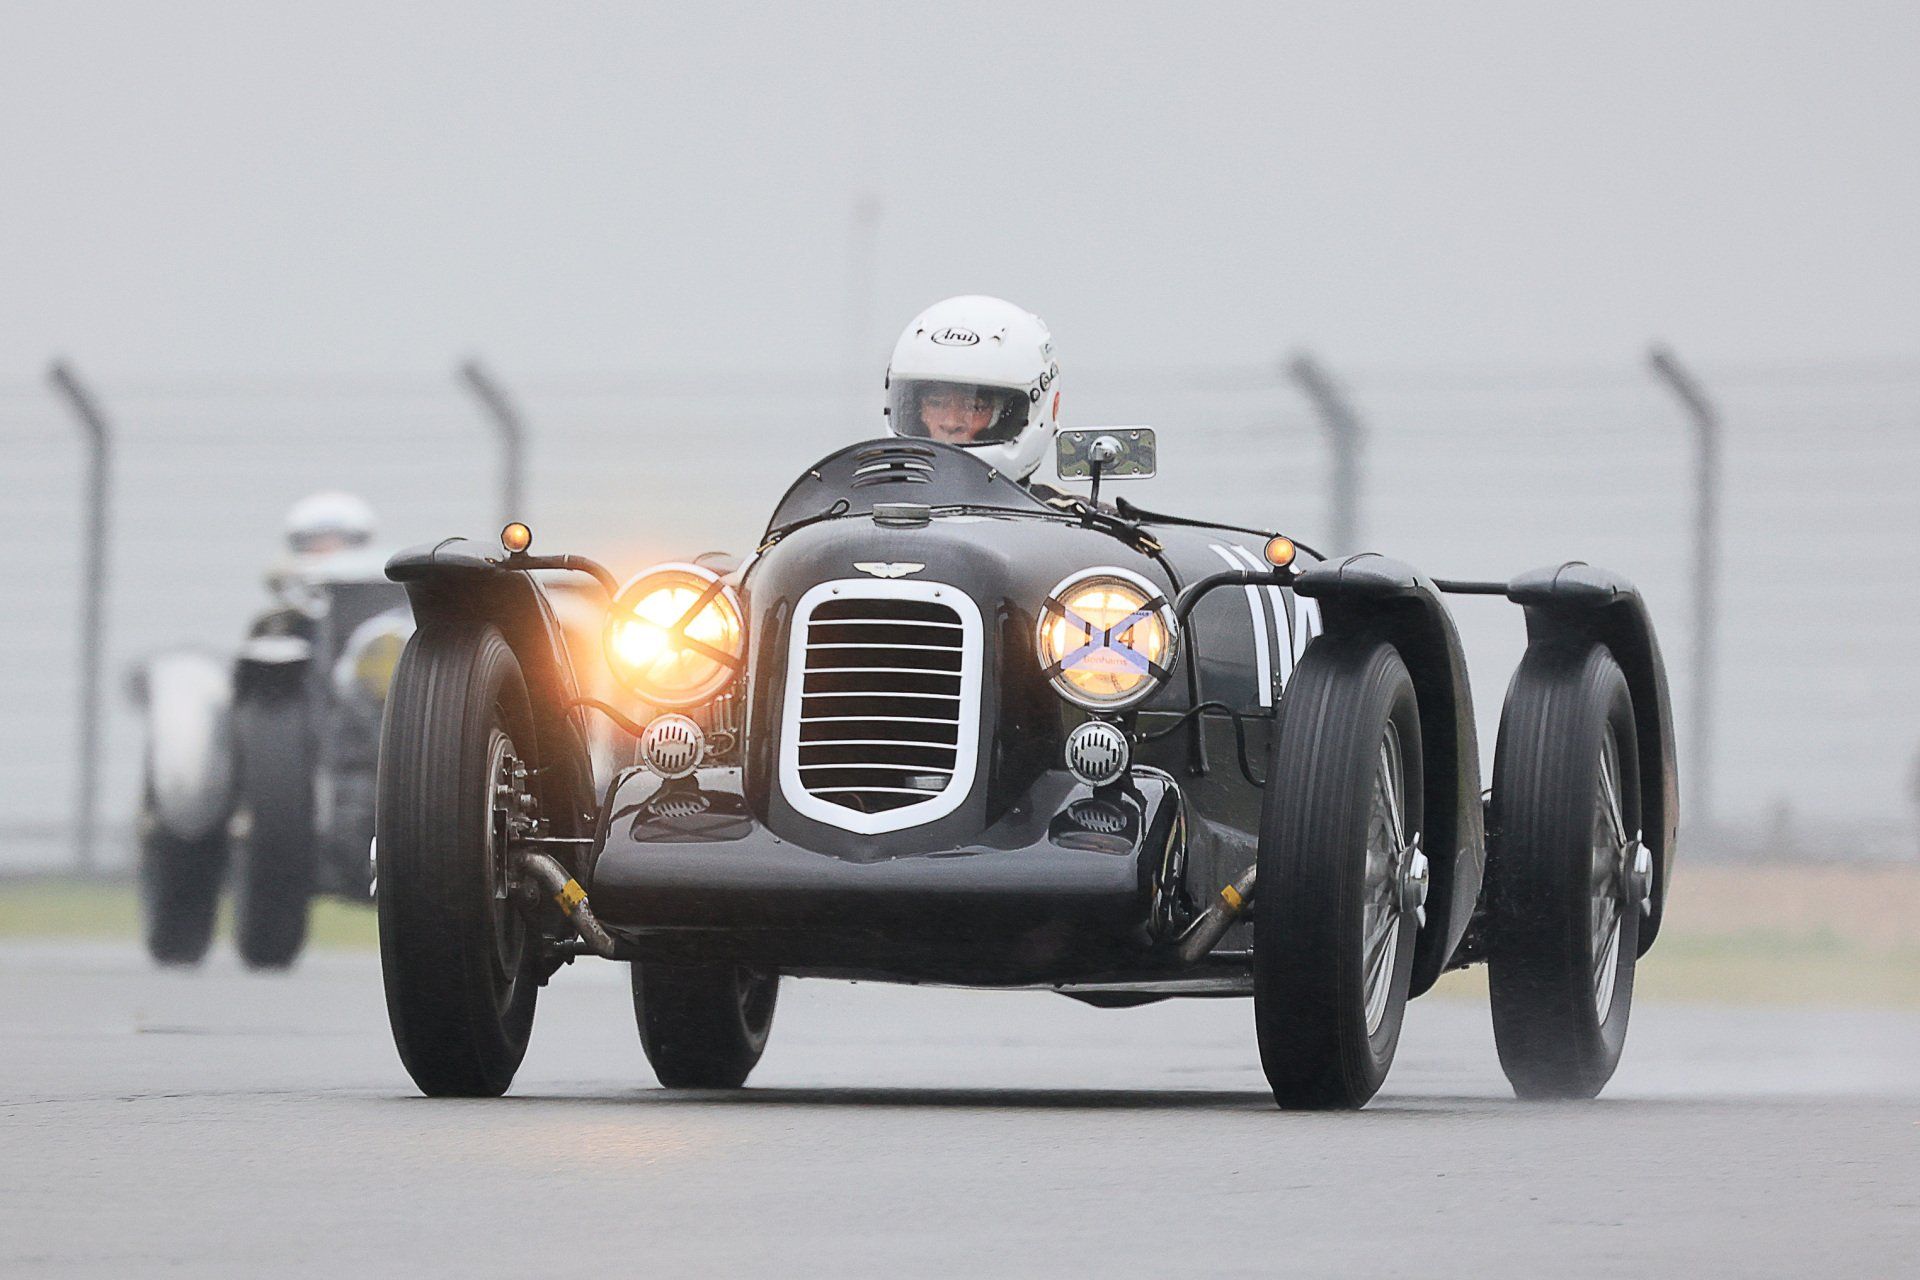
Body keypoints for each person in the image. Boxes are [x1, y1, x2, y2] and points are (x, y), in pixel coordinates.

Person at [884, 295, 1061, 484]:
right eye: (936, 403)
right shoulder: (863, 507)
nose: (951, 423)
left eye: (975, 406)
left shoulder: (1068, 513)